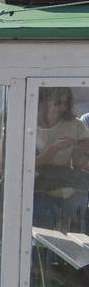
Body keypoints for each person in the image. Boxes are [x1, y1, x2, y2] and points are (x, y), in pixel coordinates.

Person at [34, 86, 89, 231]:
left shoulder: (76, 125)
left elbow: (79, 164)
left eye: (66, 103)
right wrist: (55, 148)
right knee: (41, 220)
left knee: (76, 213)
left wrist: (80, 150)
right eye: (58, 103)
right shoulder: (30, 124)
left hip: (67, 184)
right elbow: (29, 164)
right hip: (38, 184)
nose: (62, 107)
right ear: (45, 102)